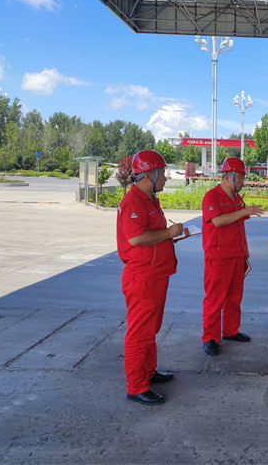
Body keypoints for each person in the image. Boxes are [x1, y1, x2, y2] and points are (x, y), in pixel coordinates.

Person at [116, 150, 184, 405]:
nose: (165, 178)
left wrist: (170, 236)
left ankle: (148, 371)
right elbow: (136, 238)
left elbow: (152, 234)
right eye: (162, 173)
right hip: (142, 277)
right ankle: (136, 386)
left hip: (155, 274)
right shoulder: (134, 202)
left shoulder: (149, 199)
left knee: (150, 328)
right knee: (140, 332)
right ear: (149, 175)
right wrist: (168, 234)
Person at [201, 157, 264, 356]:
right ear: (227, 177)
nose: (243, 181)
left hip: (237, 255)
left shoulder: (237, 199)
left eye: (243, 178)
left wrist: (245, 249)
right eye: (240, 178)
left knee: (234, 297)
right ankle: (210, 337)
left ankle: (230, 330)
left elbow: (239, 225)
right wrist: (245, 210)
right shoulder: (211, 197)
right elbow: (218, 221)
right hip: (218, 257)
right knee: (215, 299)